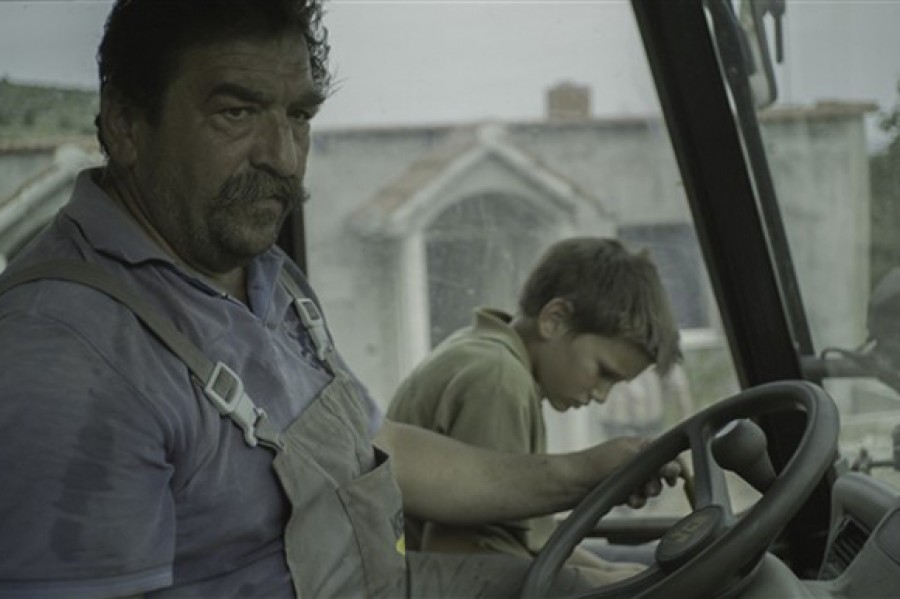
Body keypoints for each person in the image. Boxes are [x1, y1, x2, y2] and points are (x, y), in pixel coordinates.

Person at [0, 2, 680, 597]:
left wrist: (585, 472)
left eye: (299, 115)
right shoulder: (66, 354)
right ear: (125, 123)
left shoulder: (266, 275)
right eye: (236, 112)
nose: (284, 156)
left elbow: (375, 446)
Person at [387, 237, 681, 576]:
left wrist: (607, 571)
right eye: (604, 372)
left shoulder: (490, 353)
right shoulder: (498, 379)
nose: (601, 395)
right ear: (555, 320)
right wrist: (603, 582)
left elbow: (527, 538)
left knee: (636, 570)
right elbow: (466, 553)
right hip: (425, 579)